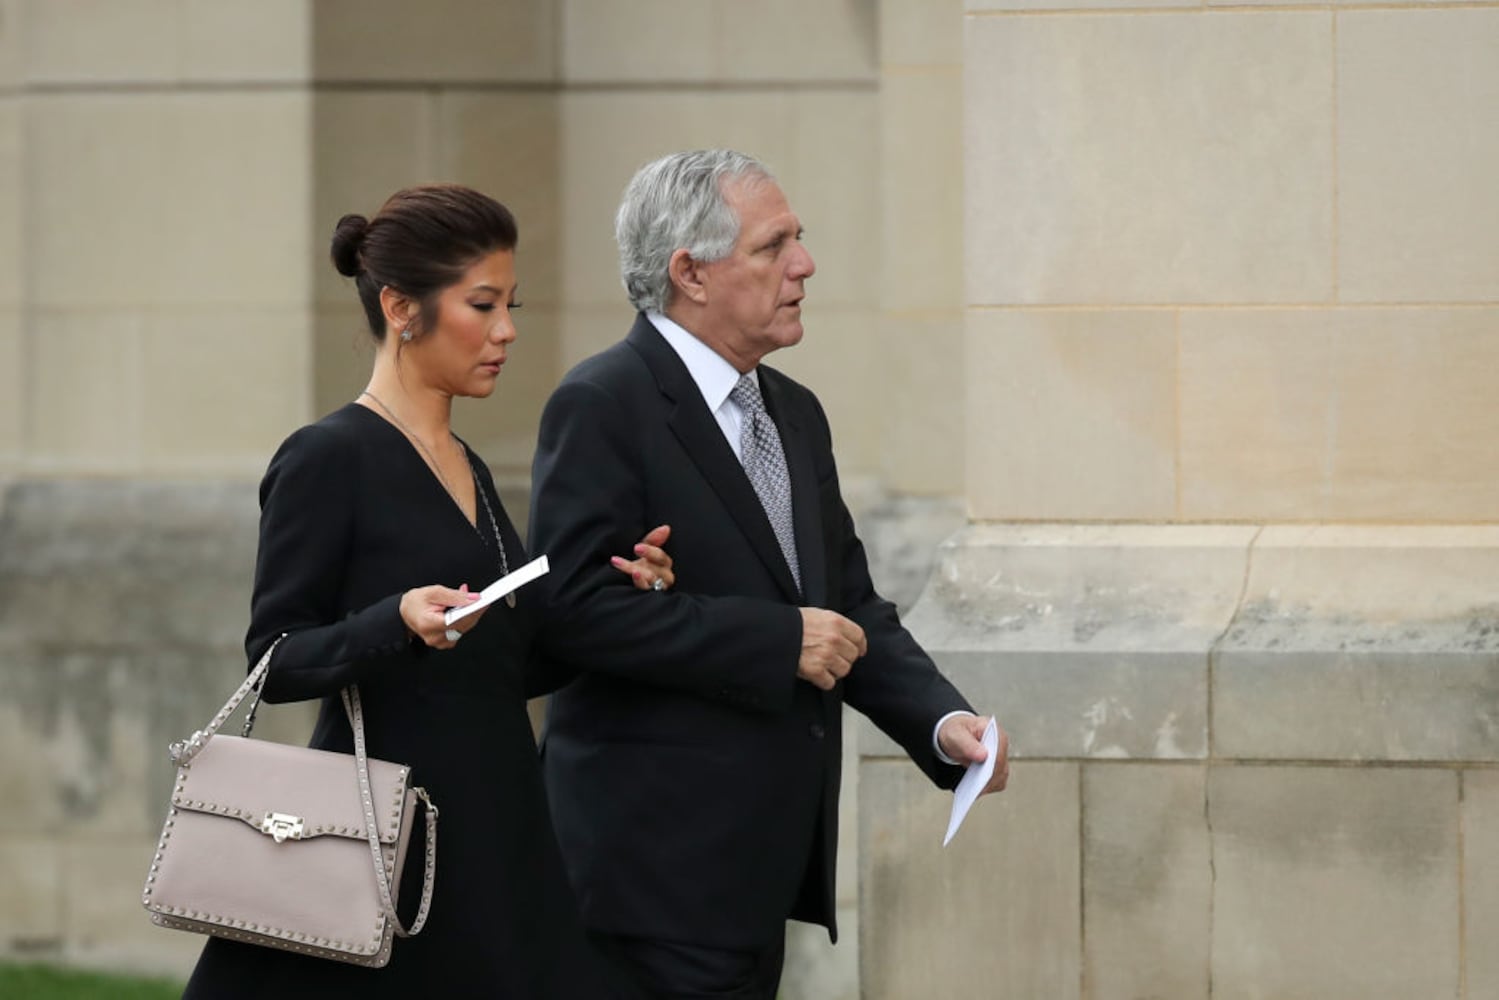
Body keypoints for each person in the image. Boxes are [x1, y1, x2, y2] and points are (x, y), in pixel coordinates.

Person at [528, 149, 1011, 999]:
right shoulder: (603, 402)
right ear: (690, 273)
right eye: (771, 245)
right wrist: (776, 638)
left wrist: (943, 725)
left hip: (755, 877)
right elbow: (568, 612)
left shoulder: (791, 411)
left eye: (799, 239)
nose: (804, 264)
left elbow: (847, 604)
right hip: (646, 879)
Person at [182, 184, 670, 998]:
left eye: (511, 304)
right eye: (483, 305)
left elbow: (503, 666)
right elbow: (275, 660)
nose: (507, 330)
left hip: (497, 833)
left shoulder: (469, 465)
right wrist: (394, 621)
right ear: (402, 308)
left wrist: (627, 592)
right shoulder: (327, 456)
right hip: (383, 849)